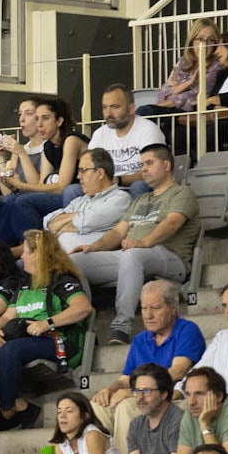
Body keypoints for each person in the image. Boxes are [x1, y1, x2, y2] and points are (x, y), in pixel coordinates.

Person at [71, 144, 201, 343]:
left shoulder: (181, 194)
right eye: (141, 165)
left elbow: (172, 223)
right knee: (74, 261)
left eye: (149, 163)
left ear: (166, 165)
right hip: (133, 255)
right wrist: (93, 247)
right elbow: (118, 232)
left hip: (172, 258)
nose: (144, 169)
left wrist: (143, 242)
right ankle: (86, 330)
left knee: (132, 254)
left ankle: (121, 326)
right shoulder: (140, 199)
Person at [0, 229, 92, 430]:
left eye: (26, 252)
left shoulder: (61, 278)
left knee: (11, 350)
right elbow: (9, 314)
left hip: (58, 340)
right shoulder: (26, 282)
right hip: (27, 339)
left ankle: (7, 411)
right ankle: (21, 406)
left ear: (39, 254)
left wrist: (47, 323)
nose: (22, 256)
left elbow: (83, 307)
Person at [90, 281, 204, 451]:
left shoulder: (187, 330)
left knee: (126, 405)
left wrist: (134, 392)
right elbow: (126, 379)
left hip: (170, 396)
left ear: (172, 306)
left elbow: (176, 372)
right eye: (143, 308)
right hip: (144, 396)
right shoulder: (140, 339)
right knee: (97, 405)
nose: (148, 315)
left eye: (155, 308)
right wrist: (110, 390)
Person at [62, 86, 164, 205]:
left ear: (131, 109)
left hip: (134, 189)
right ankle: (74, 222)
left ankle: (137, 222)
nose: (108, 113)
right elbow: (87, 166)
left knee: (139, 186)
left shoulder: (148, 130)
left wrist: (119, 180)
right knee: (72, 190)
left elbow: (154, 173)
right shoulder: (100, 134)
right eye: (105, 108)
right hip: (105, 191)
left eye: (115, 107)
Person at [46, 149, 134, 254]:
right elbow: (49, 223)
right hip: (60, 257)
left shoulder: (120, 199)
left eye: (83, 170)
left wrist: (63, 225)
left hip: (89, 257)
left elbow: (86, 222)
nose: (78, 176)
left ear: (100, 173)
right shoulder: (79, 201)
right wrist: (79, 216)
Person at [138, 21, 223, 128]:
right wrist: (189, 83)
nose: (204, 45)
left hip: (191, 112)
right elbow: (163, 93)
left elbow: (194, 96)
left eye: (210, 40)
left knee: (145, 112)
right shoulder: (183, 62)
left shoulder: (217, 66)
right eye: (200, 39)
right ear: (192, 41)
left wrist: (162, 105)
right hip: (171, 109)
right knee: (143, 113)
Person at [125, 364, 181, 454]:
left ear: (163, 394)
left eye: (146, 391)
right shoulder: (136, 425)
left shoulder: (178, 419)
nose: (140, 397)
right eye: (137, 391)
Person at [50, 392, 123, 454]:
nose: (62, 416)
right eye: (59, 411)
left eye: (69, 411)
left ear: (84, 416)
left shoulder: (92, 435)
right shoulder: (60, 443)